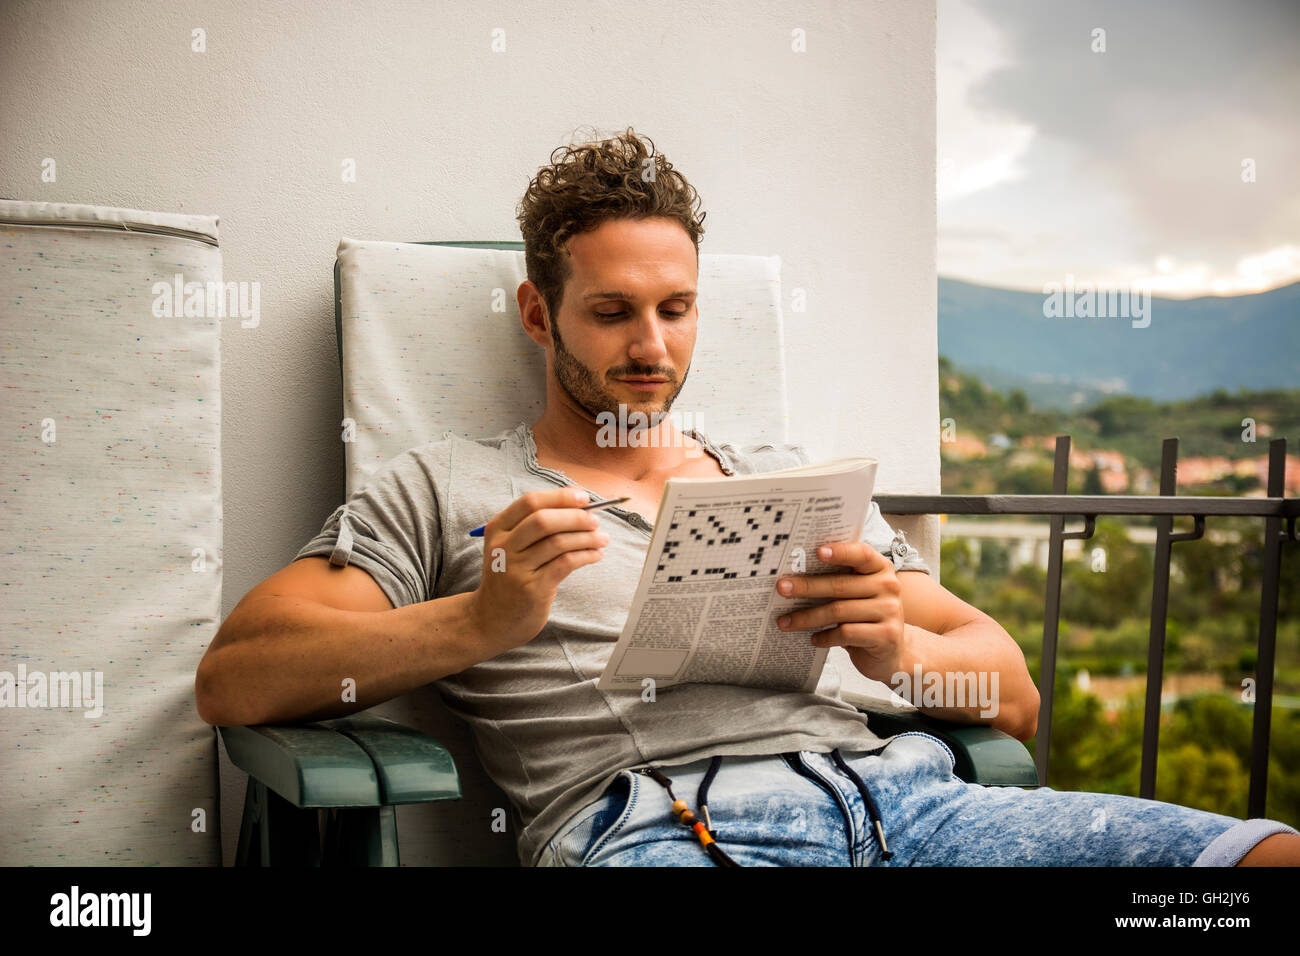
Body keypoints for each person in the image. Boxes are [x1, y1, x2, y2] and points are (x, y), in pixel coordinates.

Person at [195, 129, 1299, 867]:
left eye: (676, 308)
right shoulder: (446, 485)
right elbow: (236, 677)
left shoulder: (781, 480)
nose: (651, 345)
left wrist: (894, 656)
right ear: (538, 315)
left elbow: (1010, 699)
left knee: (1256, 860)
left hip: (908, 802)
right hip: (667, 827)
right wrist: (478, 620)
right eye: (612, 311)